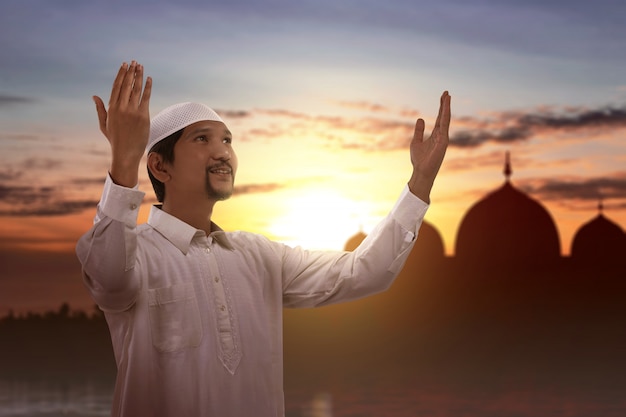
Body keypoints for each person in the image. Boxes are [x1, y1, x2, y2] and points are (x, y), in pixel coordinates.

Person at [76, 60, 451, 417]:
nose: (222, 152)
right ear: (160, 165)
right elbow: (111, 279)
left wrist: (420, 183)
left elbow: (365, 271)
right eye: (202, 139)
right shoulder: (136, 254)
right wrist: (124, 163)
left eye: (227, 140)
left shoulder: (259, 257)